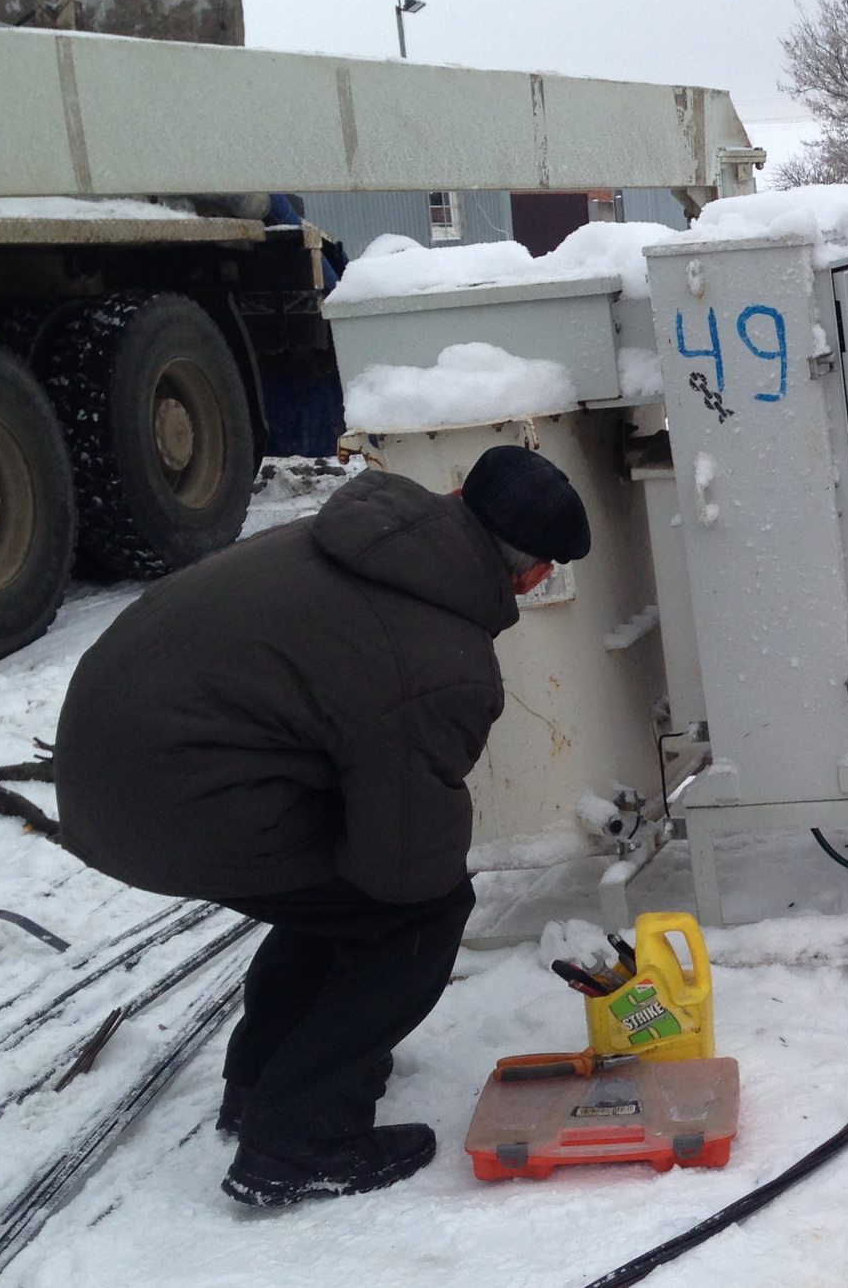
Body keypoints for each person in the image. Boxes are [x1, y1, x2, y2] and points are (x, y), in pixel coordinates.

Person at [54, 445, 591, 1204]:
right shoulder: (440, 657)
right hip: (166, 800)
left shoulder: (354, 537)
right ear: (536, 575)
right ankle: (302, 1138)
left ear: (457, 492)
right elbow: (403, 868)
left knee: (335, 872)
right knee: (419, 911)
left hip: (103, 765)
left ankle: (261, 1078)